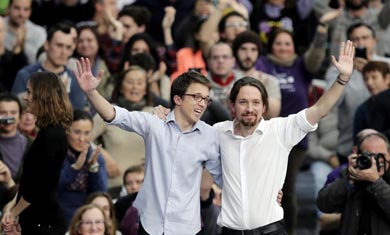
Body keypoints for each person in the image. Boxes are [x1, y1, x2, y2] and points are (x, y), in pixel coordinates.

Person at [214, 40, 354, 234]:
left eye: (256, 103)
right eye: (243, 102)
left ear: (264, 107)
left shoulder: (279, 130)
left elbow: (320, 109)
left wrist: (342, 78)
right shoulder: (218, 133)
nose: (249, 109)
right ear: (232, 106)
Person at [75, 57, 222, 235]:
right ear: (178, 99)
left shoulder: (210, 135)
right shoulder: (154, 123)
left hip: (187, 228)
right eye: (197, 97)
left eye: (206, 99)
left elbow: (221, 177)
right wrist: (91, 92)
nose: (202, 103)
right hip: (151, 226)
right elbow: (114, 115)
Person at [1, 71, 73, 234]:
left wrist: (14, 213)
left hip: (45, 223)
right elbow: (29, 183)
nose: (25, 97)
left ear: (42, 96)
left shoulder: (52, 135)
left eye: (29, 92)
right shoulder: (47, 132)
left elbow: (41, 187)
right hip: (36, 220)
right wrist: (11, 208)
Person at [316, 132, 390, 235]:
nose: (375, 161)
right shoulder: (348, 174)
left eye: (381, 156)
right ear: (357, 154)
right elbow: (323, 204)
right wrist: (348, 179)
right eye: (369, 155)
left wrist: (376, 182)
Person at [11, 22, 87, 110]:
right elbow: (14, 108)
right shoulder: (25, 75)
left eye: (68, 47)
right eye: (59, 45)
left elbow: (78, 114)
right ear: (47, 45)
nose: (64, 52)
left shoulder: (76, 79)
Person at [58, 109, 108, 226]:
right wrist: (74, 168)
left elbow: (100, 195)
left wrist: (93, 168)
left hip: (89, 217)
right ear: (67, 131)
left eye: (87, 133)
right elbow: (50, 191)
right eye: (77, 132)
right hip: (60, 215)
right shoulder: (57, 154)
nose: (82, 139)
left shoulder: (96, 156)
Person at [232, 30, 281, 118]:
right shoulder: (226, 77)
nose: (248, 55)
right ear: (236, 52)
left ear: (258, 53)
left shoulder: (270, 80)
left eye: (253, 49)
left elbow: (274, 114)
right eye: (243, 49)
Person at [0, 93, 30, 182]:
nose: (8, 118)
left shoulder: (32, 144)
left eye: (13, 113)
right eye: (3, 113)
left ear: (20, 116)